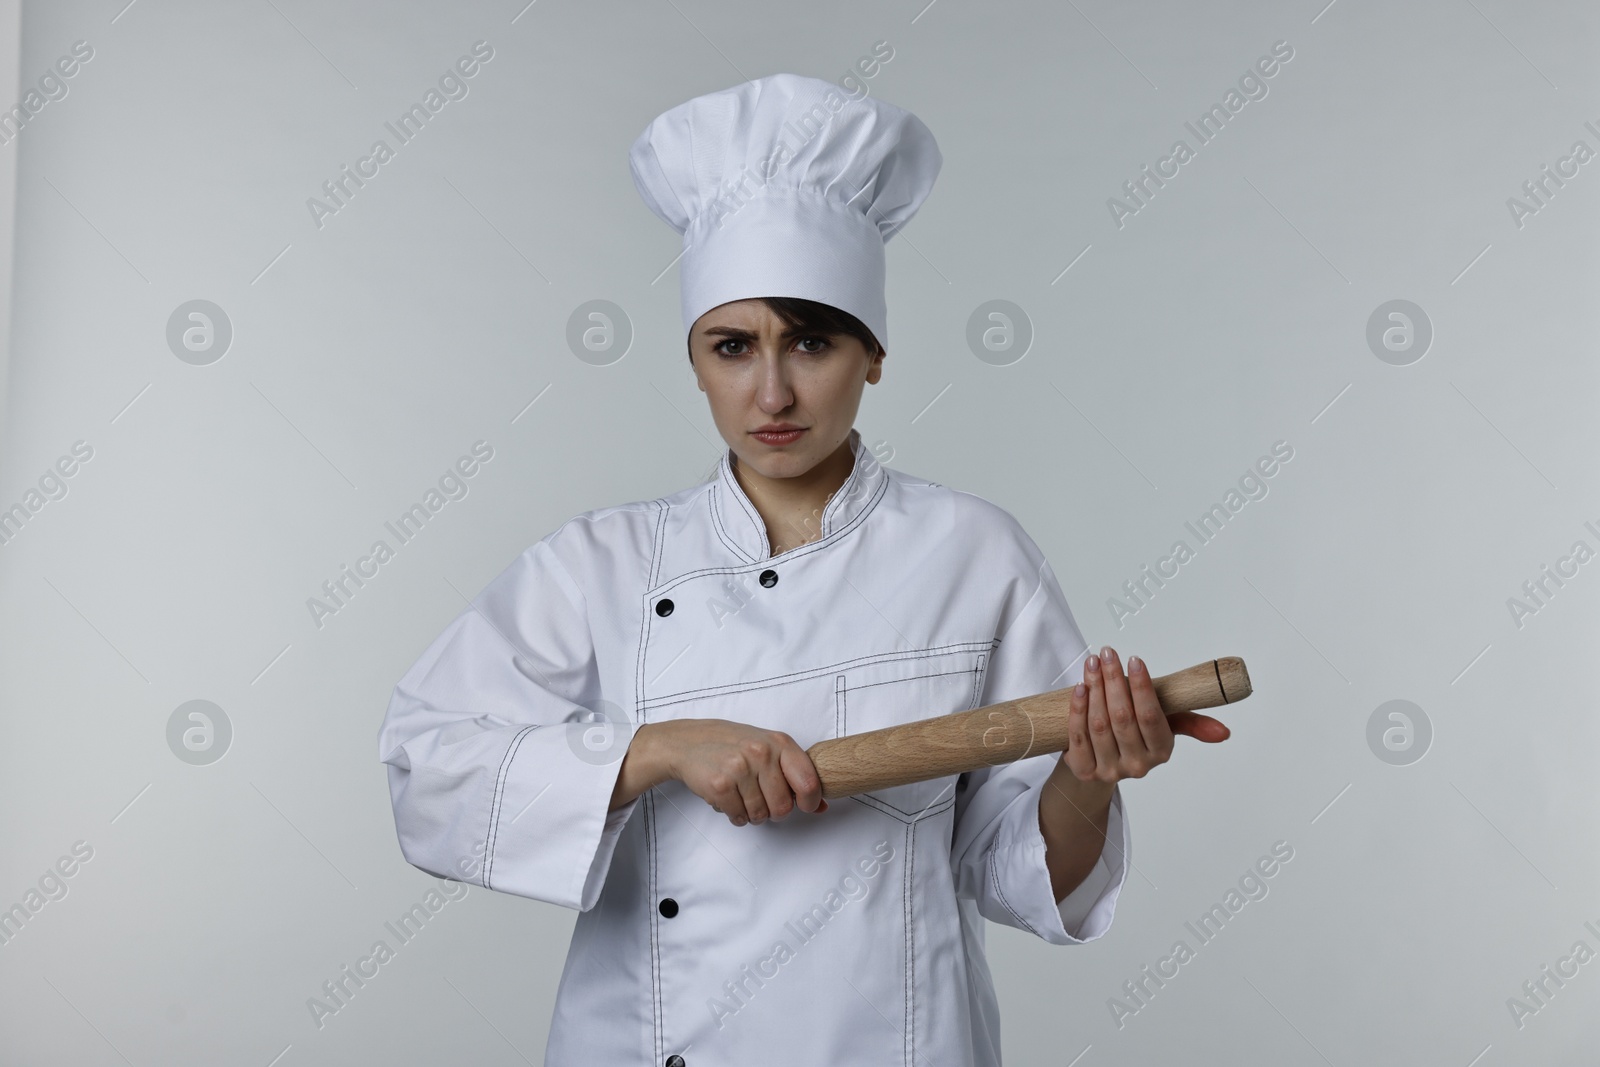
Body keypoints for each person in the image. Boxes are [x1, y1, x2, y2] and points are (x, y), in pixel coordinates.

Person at [377, 72, 1229, 1066]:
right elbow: (424, 763)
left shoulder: (971, 551)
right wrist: (654, 749)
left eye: (811, 341)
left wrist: (1086, 771)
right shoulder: (601, 562)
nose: (771, 390)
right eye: (732, 346)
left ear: (872, 352)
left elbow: (1020, 868)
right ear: (693, 360)